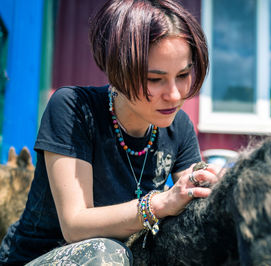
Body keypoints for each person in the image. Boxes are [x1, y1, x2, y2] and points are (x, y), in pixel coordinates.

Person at [0, 0, 218, 264]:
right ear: (118, 69)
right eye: (155, 79)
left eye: (183, 75)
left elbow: (192, 201)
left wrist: (215, 186)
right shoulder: (74, 108)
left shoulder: (178, 125)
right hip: (40, 259)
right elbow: (75, 224)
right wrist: (161, 202)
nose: (174, 95)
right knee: (106, 253)